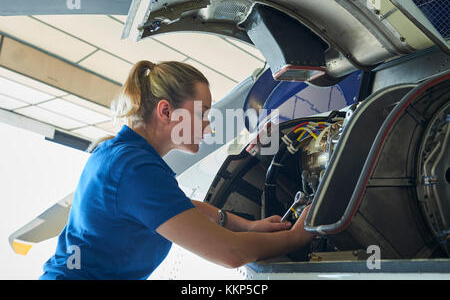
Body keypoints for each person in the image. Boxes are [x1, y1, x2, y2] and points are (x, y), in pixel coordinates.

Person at [39, 60, 313, 280]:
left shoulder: (121, 155)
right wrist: (295, 237)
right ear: (166, 111)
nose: (209, 126)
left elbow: (177, 207)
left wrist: (247, 226)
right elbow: (230, 253)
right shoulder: (134, 168)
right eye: (202, 113)